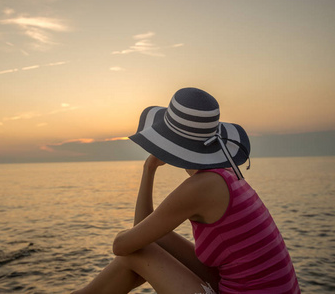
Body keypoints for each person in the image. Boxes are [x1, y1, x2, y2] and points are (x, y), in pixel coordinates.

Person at [72, 88, 300, 294]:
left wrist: (124, 235)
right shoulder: (225, 175)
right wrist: (148, 169)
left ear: (169, 141)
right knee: (148, 242)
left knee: (134, 254)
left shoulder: (200, 188)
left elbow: (121, 247)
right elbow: (143, 230)